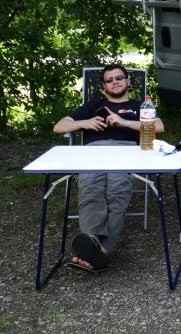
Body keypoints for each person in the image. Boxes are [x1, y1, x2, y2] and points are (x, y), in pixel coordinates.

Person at [52, 64, 164, 272]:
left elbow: (158, 127)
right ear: (104, 86)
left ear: (128, 81)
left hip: (125, 153)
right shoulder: (94, 105)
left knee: (117, 188)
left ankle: (99, 250)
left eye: (119, 77)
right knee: (90, 187)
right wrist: (83, 123)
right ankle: (95, 245)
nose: (115, 82)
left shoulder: (139, 106)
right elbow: (59, 126)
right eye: (109, 80)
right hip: (92, 153)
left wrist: (126, 123)